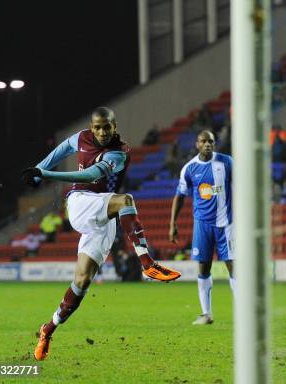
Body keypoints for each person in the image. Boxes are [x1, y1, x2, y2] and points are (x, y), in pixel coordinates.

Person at [20, 107, 181, 361]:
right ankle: (147, 263)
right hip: (80, 202)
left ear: (115, 126)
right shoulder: (82, 137)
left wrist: (46, 174)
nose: (102, 132)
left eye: (107, 127)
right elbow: (62, 149)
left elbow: (91, 174)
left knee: (82, 282)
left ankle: (47, 329)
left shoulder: (120, 152)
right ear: (92, 127)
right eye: (98, 127)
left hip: (103, 214)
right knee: (125, 200)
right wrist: (38, 169)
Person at [169, 130, 235, 325]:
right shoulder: (189, 169)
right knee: (203, 267)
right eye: (204, 141)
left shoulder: (227, 162)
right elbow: (180, 196)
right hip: (202, 225)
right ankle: (206, 314)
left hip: (226, 224)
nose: (208, 144)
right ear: (197, 144)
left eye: (211, 141)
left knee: (234, 267)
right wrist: (172, 223)